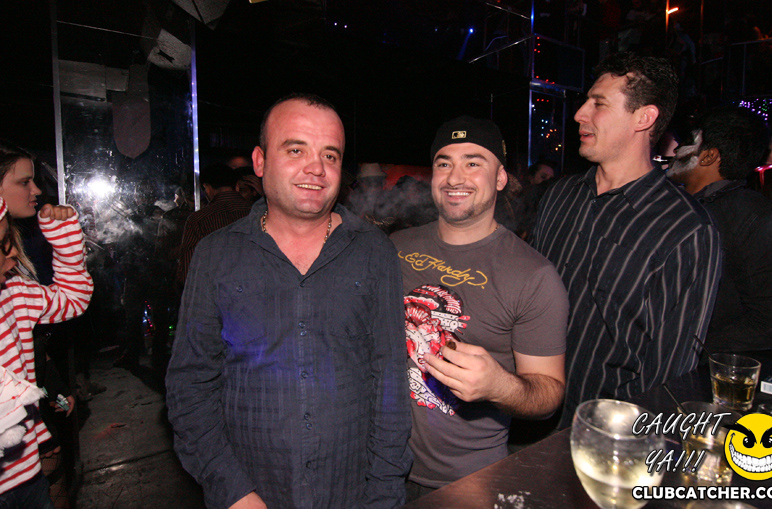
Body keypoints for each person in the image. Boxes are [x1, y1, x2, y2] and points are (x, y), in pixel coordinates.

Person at [166, 94, 412, 509]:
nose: (316, 168)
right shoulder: (216, 254)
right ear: (260, 162)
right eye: (296, 150)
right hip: (250, 493)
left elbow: (390, 384)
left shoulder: (375, 252)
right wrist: (232, 491)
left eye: (330, 155)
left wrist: (384, 494)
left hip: (351, 494)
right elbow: (189, 385)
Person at [531, 53, 722, 427]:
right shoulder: (559, 196)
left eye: (598, 103)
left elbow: (670, 369)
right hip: (527, 418)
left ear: (644, 118)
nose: (580, 114)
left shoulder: (686, 229)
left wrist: (628, 441)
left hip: (609, 433)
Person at [391, 116, 568, 499]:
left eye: (473, 163)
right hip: (381, 468)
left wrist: (498, 385)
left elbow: (549, 394)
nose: (455, 177)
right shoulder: (396, 247)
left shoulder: (534, 275)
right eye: (444, 163)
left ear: (500, 178)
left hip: (466, 482)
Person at [668, 106, 772, 351]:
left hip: (700, 369)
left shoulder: (759, 218)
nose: (676, 150)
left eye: (686, 143)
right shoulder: (670, 206)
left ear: (708, 156)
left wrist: (684, 350)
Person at [0, 197, 93, 508]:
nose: (13, 252)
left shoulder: (14, 294)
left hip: (27, 475)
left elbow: (73, 298)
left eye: (9, 239)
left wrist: (66, 243)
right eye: (2, 243)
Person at [176, 163, 251, 285]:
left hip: (215, 291)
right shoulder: (258, 213)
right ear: (237, 186)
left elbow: (188, 272)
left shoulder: (198, 220)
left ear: (207, 187)